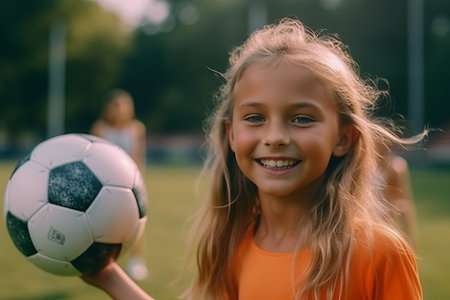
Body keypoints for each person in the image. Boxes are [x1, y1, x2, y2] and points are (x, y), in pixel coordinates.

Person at [82, 18, 427, 299]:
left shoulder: (380, 254)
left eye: (302, 118)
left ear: (343, 138)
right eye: (255, 118)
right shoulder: (233, 246)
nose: (275, 137)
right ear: (232, 135)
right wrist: (108, 277)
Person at [90, 88, 149, 281]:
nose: (119, 110)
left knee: (135, 224)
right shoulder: (100, 128)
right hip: (103, 186)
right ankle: (101, 261)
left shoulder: (137, 129)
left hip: (129, 185)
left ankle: (137, 261)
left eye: (124, 106)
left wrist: (136, 182)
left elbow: (139, 157)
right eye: (115, 106)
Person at [375, 142, 418, 248]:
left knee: (404, 208)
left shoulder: (396, 167)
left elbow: (402, 199)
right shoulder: (361, 165)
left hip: (381, 212)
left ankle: (408, 245)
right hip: (364, 212)